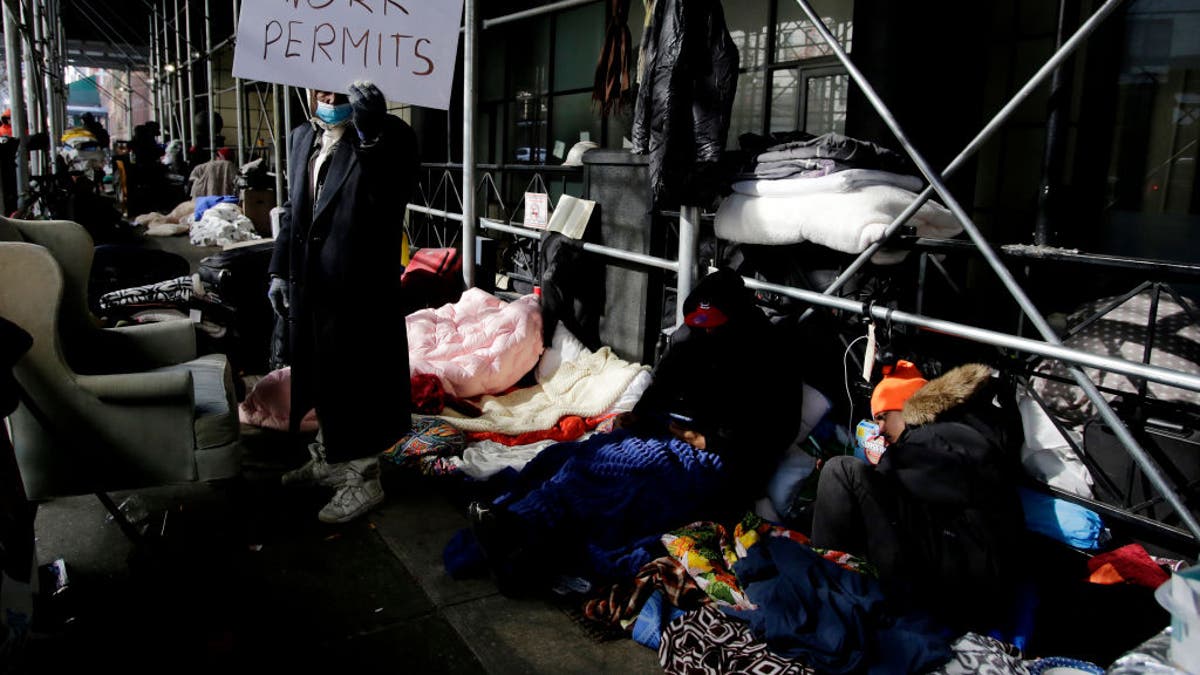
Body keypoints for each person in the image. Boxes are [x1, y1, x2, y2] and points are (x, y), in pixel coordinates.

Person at [464, 269, 804, 592]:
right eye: (703, 326)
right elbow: (664, 385)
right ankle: (520, 528)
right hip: (664, 430)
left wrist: (708, 440)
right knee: (579, 457)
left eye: (715, 326)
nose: (707, 332)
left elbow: (775, 430)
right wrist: (638, 416)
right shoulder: (697, 340)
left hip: (714, 456)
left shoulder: (768, 359)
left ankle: (521, 532)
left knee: (621, 479)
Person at [269, 81, 419, 524]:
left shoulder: (391, 135)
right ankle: (331, 459)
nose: (330, 102)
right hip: (312, 283)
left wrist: (371, 135)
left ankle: (364, 476)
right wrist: (279, 269)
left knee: (359, 380)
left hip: (360, 285)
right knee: (320, 373)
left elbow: (392, 196)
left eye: (339, 94)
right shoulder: (302, 137)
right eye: (322, 93)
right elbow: (296, 208)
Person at [810, 359, 1026, 630]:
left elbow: (905, 486)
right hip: (973, 573)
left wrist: (867, 480)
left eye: (881, 417)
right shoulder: (957, 433)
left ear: (904, 408)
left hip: (967, 585)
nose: (878, 431)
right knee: (852, 484)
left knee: (841, 471)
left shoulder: (937, 439)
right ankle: (840, 589)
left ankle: (822, 597)